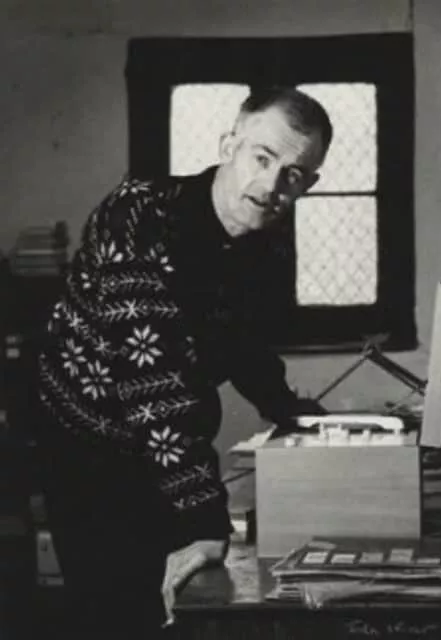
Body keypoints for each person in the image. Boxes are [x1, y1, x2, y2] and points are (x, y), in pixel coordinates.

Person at [36, 85, 333, 636]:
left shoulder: (264, 239)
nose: (271, 186)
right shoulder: (139, 216)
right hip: (88, 445)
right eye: (262, 158)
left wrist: (288, 410)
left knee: (182, 605)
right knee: (118, 615)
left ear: (308, 185)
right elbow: (154, 384)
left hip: (168, 445)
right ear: (228, 146)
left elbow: (242, 338)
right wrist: (205, 520)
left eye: (293, 175)